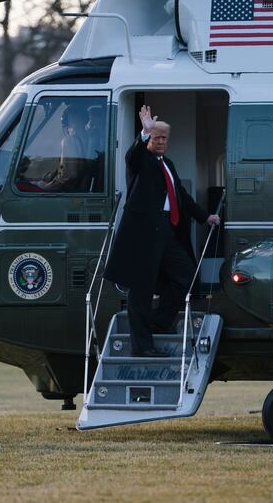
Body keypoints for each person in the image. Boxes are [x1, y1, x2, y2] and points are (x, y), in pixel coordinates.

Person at [104, 105, 220, 357]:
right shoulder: (142, 160)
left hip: (167, 231)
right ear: (149, 139)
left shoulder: (167, 163)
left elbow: (181, 196)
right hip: (143, 235)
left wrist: (205, 217)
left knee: (186, 275)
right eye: (156, 137)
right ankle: (142, 347)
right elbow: (132, 156)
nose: (160, 142)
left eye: (163, 138)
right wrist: (144, 132)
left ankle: (158, 321)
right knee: (141, 290)